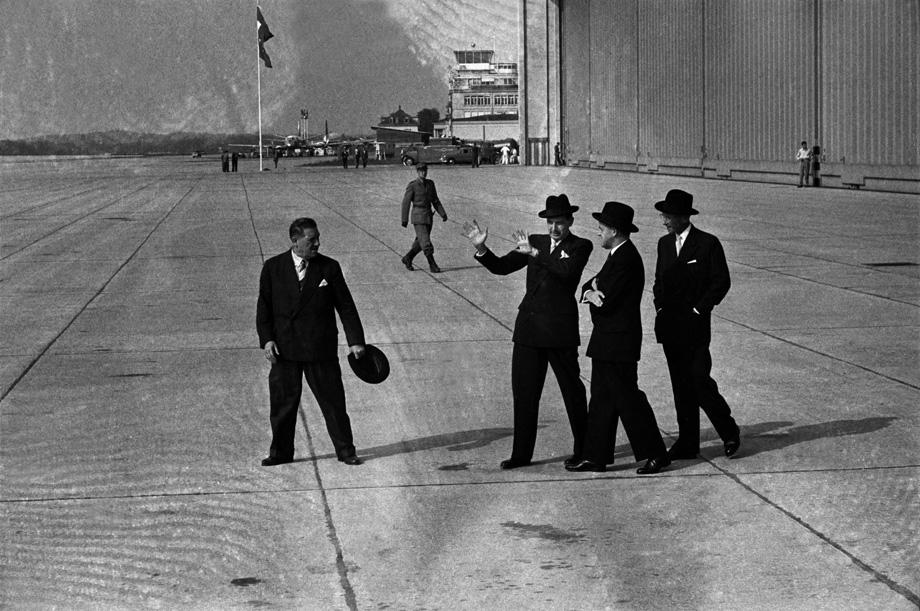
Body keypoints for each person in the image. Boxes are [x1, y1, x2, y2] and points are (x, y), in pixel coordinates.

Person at [463, 194, 593, 469]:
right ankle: (521, 454)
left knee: (572, 392)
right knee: (524, 394)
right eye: (550, 222)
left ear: (570, 221)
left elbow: (567, 274)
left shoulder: (581, 245)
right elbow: (502, 267)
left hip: (559, 331)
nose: (553, 228)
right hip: (529, 330)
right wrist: (482, 248)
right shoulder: (535, 240)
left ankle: (584, 449)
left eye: (559, 222)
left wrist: (536, 254)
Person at [566, 201, 670, 474]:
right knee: (601, 398)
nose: (598, 232)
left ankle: (657, 453)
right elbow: (591, 286)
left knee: (628, 397)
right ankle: (595, 456)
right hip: (607, 341)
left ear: (614, 230)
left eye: (601, 229)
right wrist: (591, 293)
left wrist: (595, 295)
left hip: (619, 341)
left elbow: (608, 302)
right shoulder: (616, 256)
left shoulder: (626, 259)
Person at [256, 217, 367, 466]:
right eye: (311, 239)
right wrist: (267, 340)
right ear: (295, 241)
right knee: (282, 407)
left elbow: (346, 306)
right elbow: (263, 308)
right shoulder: (273, 268)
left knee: (334, 404)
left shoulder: (330, 267)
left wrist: (356, 341)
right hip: (285, 350)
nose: (317, 243)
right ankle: (281, 453)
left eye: (317, 238)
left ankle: (347, 451)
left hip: (320, 349)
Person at [652, 189, 741, 461]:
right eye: (663, 216)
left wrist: (698, 309)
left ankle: (728, 431)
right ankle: (688, 442)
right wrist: (661, 308)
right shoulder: (664, 244)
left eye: (668, 216)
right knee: (680, 385)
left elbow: (720, 282)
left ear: (682, 217)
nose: (664, 221)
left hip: (695, 327)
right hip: (670, 327)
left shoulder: (707, 243)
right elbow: (659, 282)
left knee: (699, 381)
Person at [400, 163, 448, 273]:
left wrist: (442, 213)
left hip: (428, 217)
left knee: (420, 242)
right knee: (426, 242)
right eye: (421, 171)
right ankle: (433, 265)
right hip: (418, 216)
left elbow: (435, 200)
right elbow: (406, 202)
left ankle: (408, 258)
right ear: (417, 172)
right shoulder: (412, 185)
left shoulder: (430, 184)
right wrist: (404, 219)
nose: (424, 172)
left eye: (425, 170)